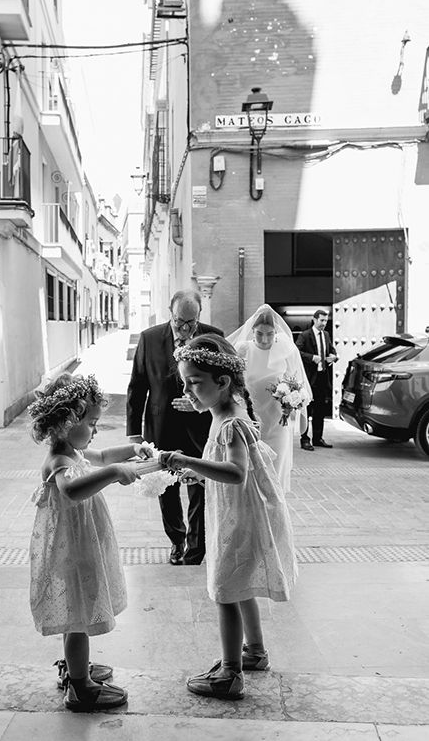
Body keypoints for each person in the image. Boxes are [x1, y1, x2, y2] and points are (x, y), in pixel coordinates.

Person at [160, 334, 297, 700]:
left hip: (238, 517)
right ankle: (254, 651)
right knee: (240, 584)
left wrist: (188, 460)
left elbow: (236, 472)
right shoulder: (225, 410)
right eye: (185, 382)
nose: (188, 391)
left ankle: (230, 672)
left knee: (225, 590)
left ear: (222, 382)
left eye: (195, 383)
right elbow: (227, 467)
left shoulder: (230, 422)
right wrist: (199, 473)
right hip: (237, 511)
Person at [28, 372, 153, 712]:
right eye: (93, 423)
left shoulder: (73, 450)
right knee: (79, 613)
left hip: (80, 540)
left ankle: (75, 665)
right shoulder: (60, 459)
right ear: (68, 421)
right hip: (72, 547)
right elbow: (72, 491)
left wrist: (133, 449)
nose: (96, 430)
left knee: (77, 609)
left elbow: (102, 456)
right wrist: (115, 475)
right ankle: (80, 686)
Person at [126, 290, 223, 565]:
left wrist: (200, 405)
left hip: (201, 427)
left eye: (192, 323)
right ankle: (177, 541)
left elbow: (224, 385)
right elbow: (137, 387)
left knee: (200, 486)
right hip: (161, 426)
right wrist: (135, 433)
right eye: (180, 321)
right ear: (171, 313)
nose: (185, 328)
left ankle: (196, 547)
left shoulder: (214, 337)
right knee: (166, 488)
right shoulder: (149, 338)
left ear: (199, 316)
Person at [227, 304, 312, 495]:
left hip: (277, 421)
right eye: (259, 334)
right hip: (250, 420)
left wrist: (294, 400)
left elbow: (297, 382)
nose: (265, 339)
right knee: (252, 471)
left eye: (269, 334)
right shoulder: (243, 349)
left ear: (276, 332)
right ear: (252, 332)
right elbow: (231, 383)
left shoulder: (286, 349)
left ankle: (276, 510)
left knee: (275, 470)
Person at [296, 309, 338, 450]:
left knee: (320, 410)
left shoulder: (326, 335)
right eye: (321, 320)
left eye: (326, 321)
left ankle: (318, 438)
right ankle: (305, 439)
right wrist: (311, 358)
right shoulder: (305, 335)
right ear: (314, 320)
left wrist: (334, 357)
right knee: (307, 410)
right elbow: (297, 352)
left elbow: (332, 350)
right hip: (309, 379)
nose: (324, 323)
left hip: (322, 377)